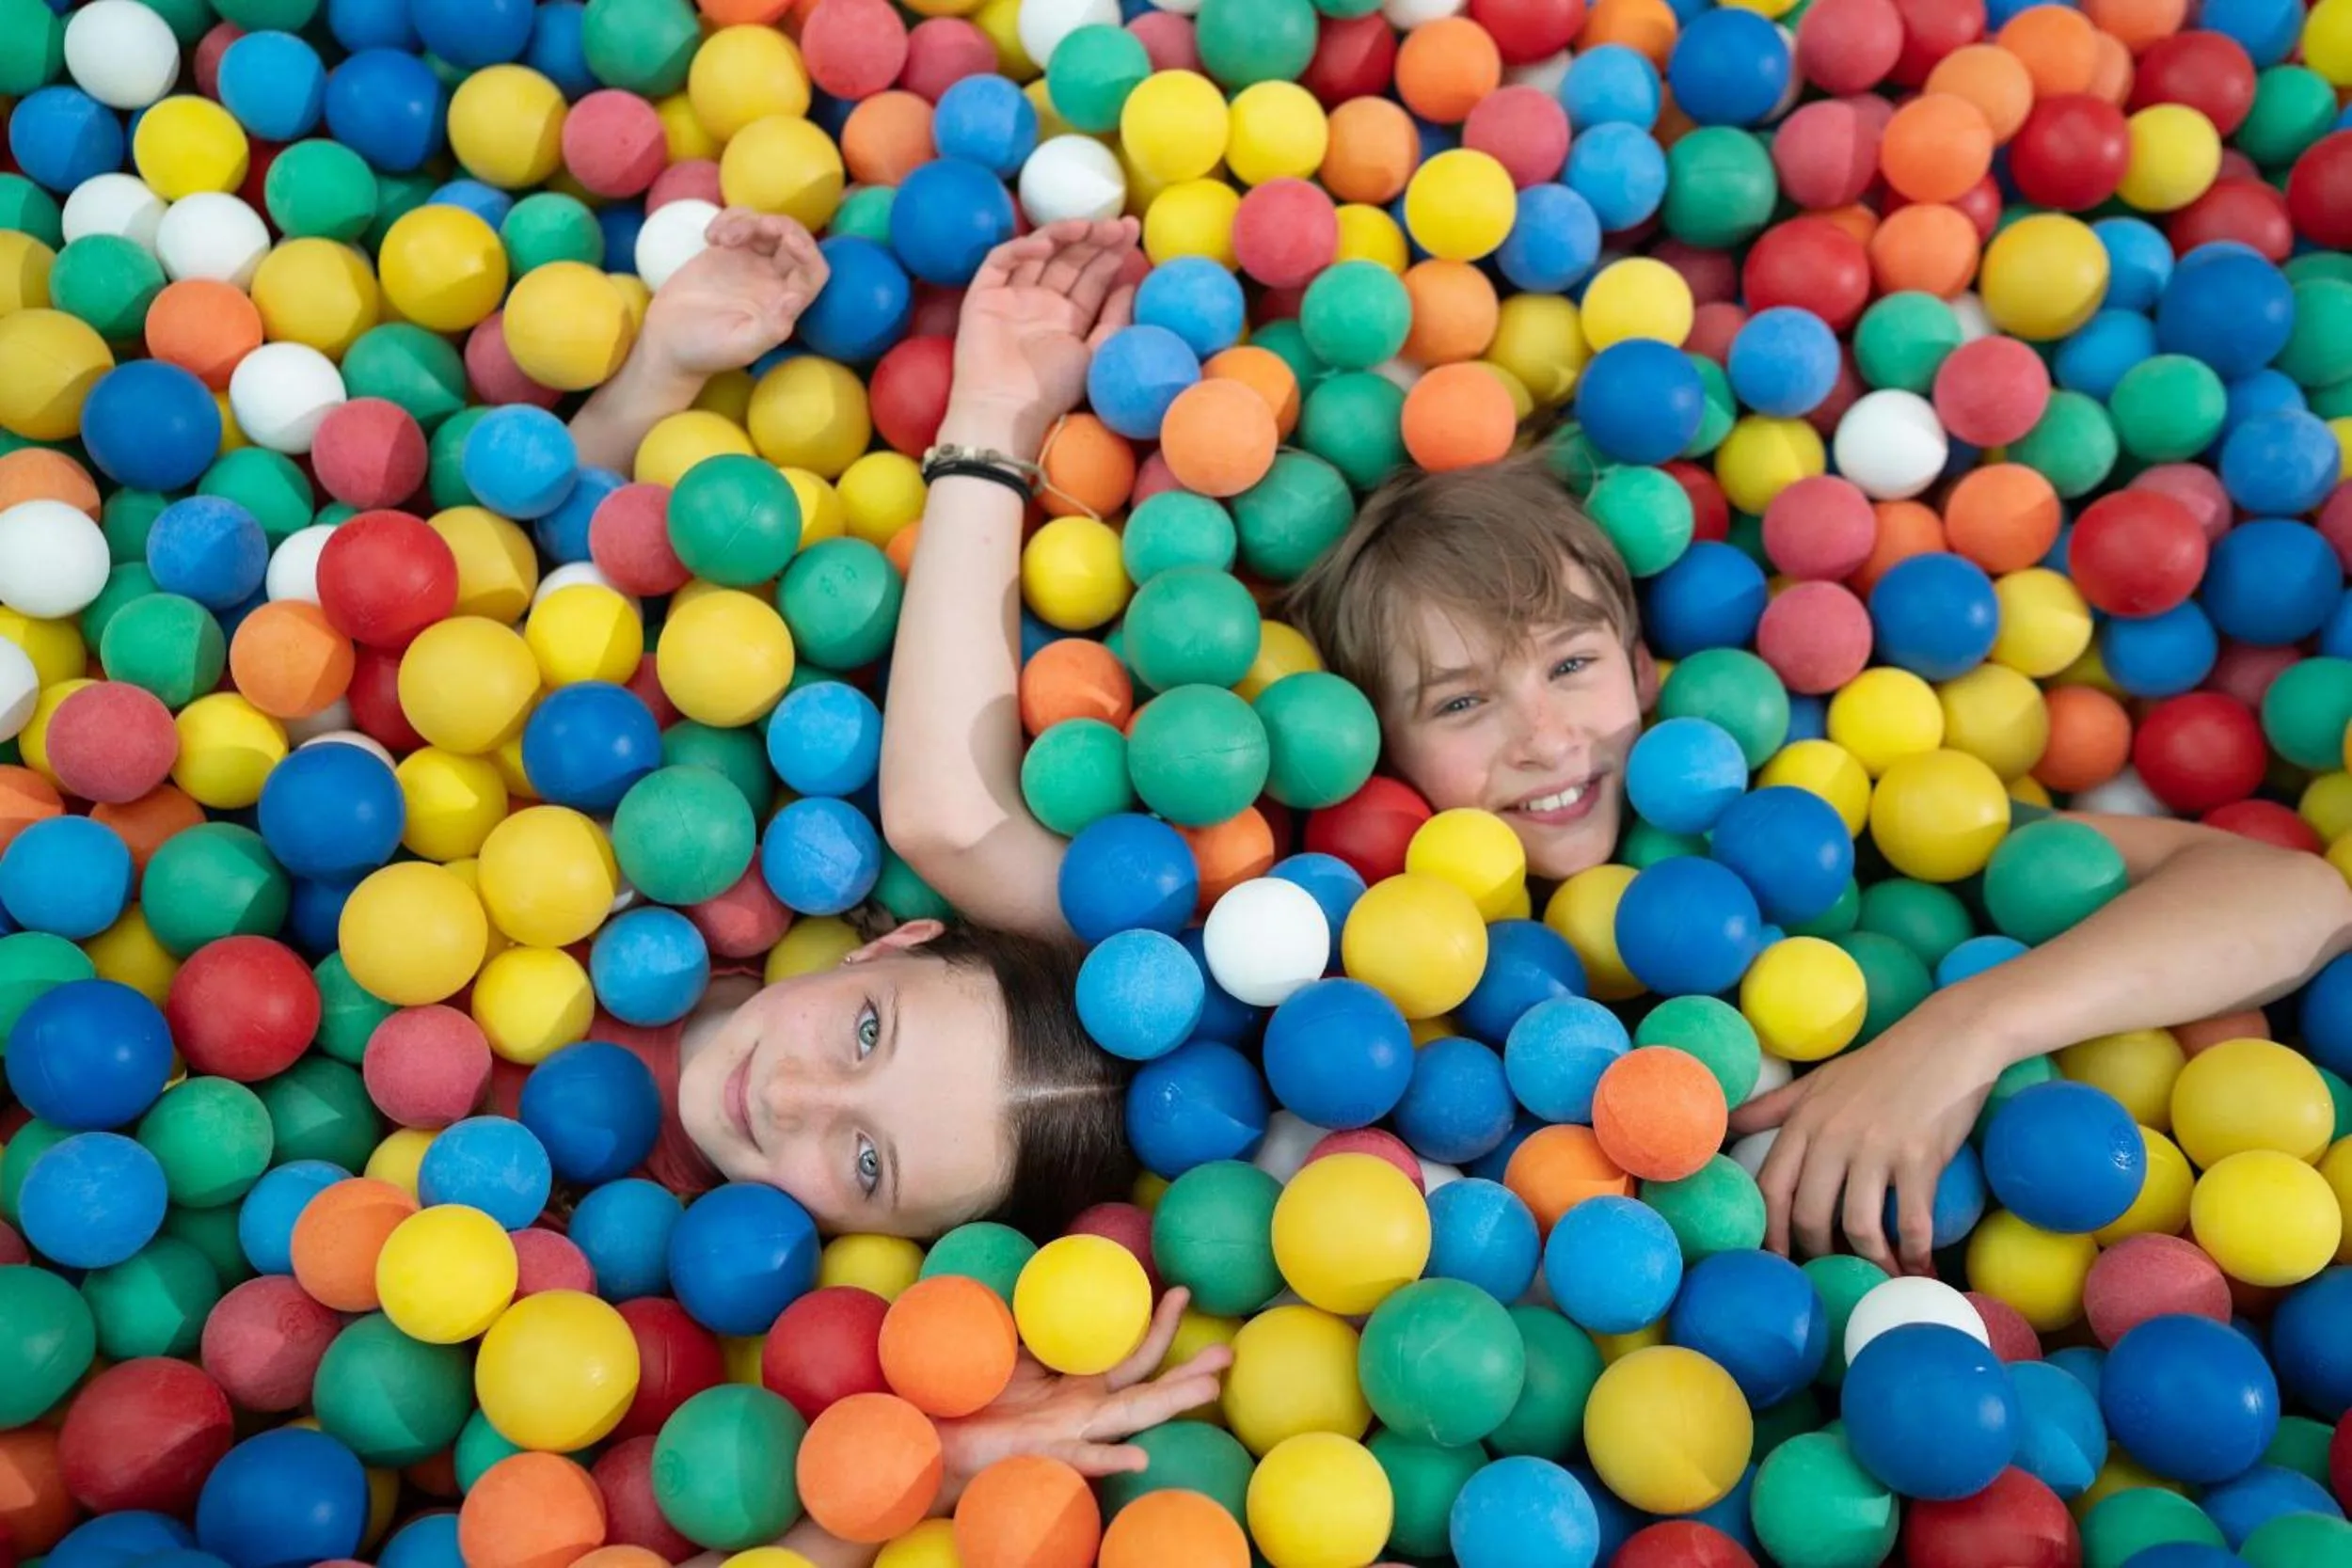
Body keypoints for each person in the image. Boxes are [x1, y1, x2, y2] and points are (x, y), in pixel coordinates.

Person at [565, 210, 1225, 1568]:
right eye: (867, 1031)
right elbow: (941, 812)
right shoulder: (671, 852)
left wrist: (922, 1475)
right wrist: (658, 377)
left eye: (865, 1166)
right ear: (891, 941)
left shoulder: (696, 1325)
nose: (794, 1099)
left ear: (899, 1250)